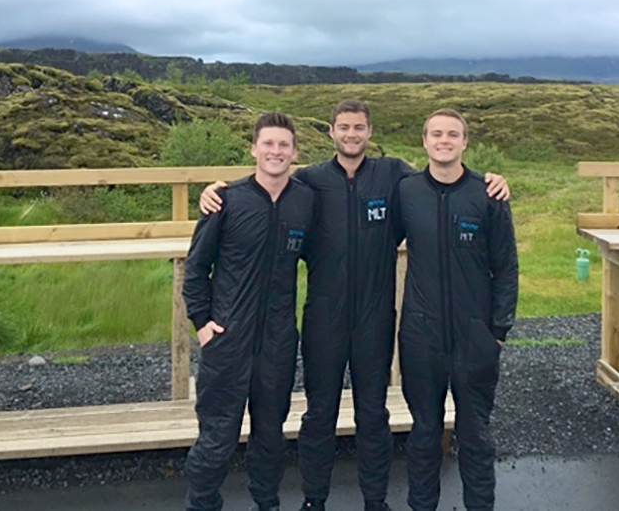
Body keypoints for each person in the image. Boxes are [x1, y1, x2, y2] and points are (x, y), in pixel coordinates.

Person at [199, 100, 510, 511]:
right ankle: (314, 500)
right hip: (323, 316)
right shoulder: (309, 182)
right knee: (319, 415)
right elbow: (269, 183)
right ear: (331, 132)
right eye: (343, 127)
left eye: (359, 127)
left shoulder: (394, 176)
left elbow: (441, 182)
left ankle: (375, 501)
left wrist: (490, 180)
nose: (351, 134)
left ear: (369, 132)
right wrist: (217, 190)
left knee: (373, 414)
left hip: (374, 317)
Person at [183, 112, 318, 511]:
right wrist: (202, 324)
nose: (276, 151)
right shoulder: (226, 200)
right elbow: (196, 269)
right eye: (268, 144)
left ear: (295, 152)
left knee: (271, 437)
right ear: (254, 149)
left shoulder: (306, 202)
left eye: (283, 145)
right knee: (217, 437)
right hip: (227, 338)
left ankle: (266, 502)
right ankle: (202, 503)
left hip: (277, 340)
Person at [395, 109, 518, 511]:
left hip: (474, 336)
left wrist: (497, 332)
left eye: (452, 134)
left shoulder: (488, 194)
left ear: (465, 141)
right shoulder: (407, 191)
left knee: (475, 436)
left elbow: (506, 267)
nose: (444, 141)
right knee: (424, 434)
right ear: (424, 141)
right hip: (421, 335)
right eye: (436, 134)